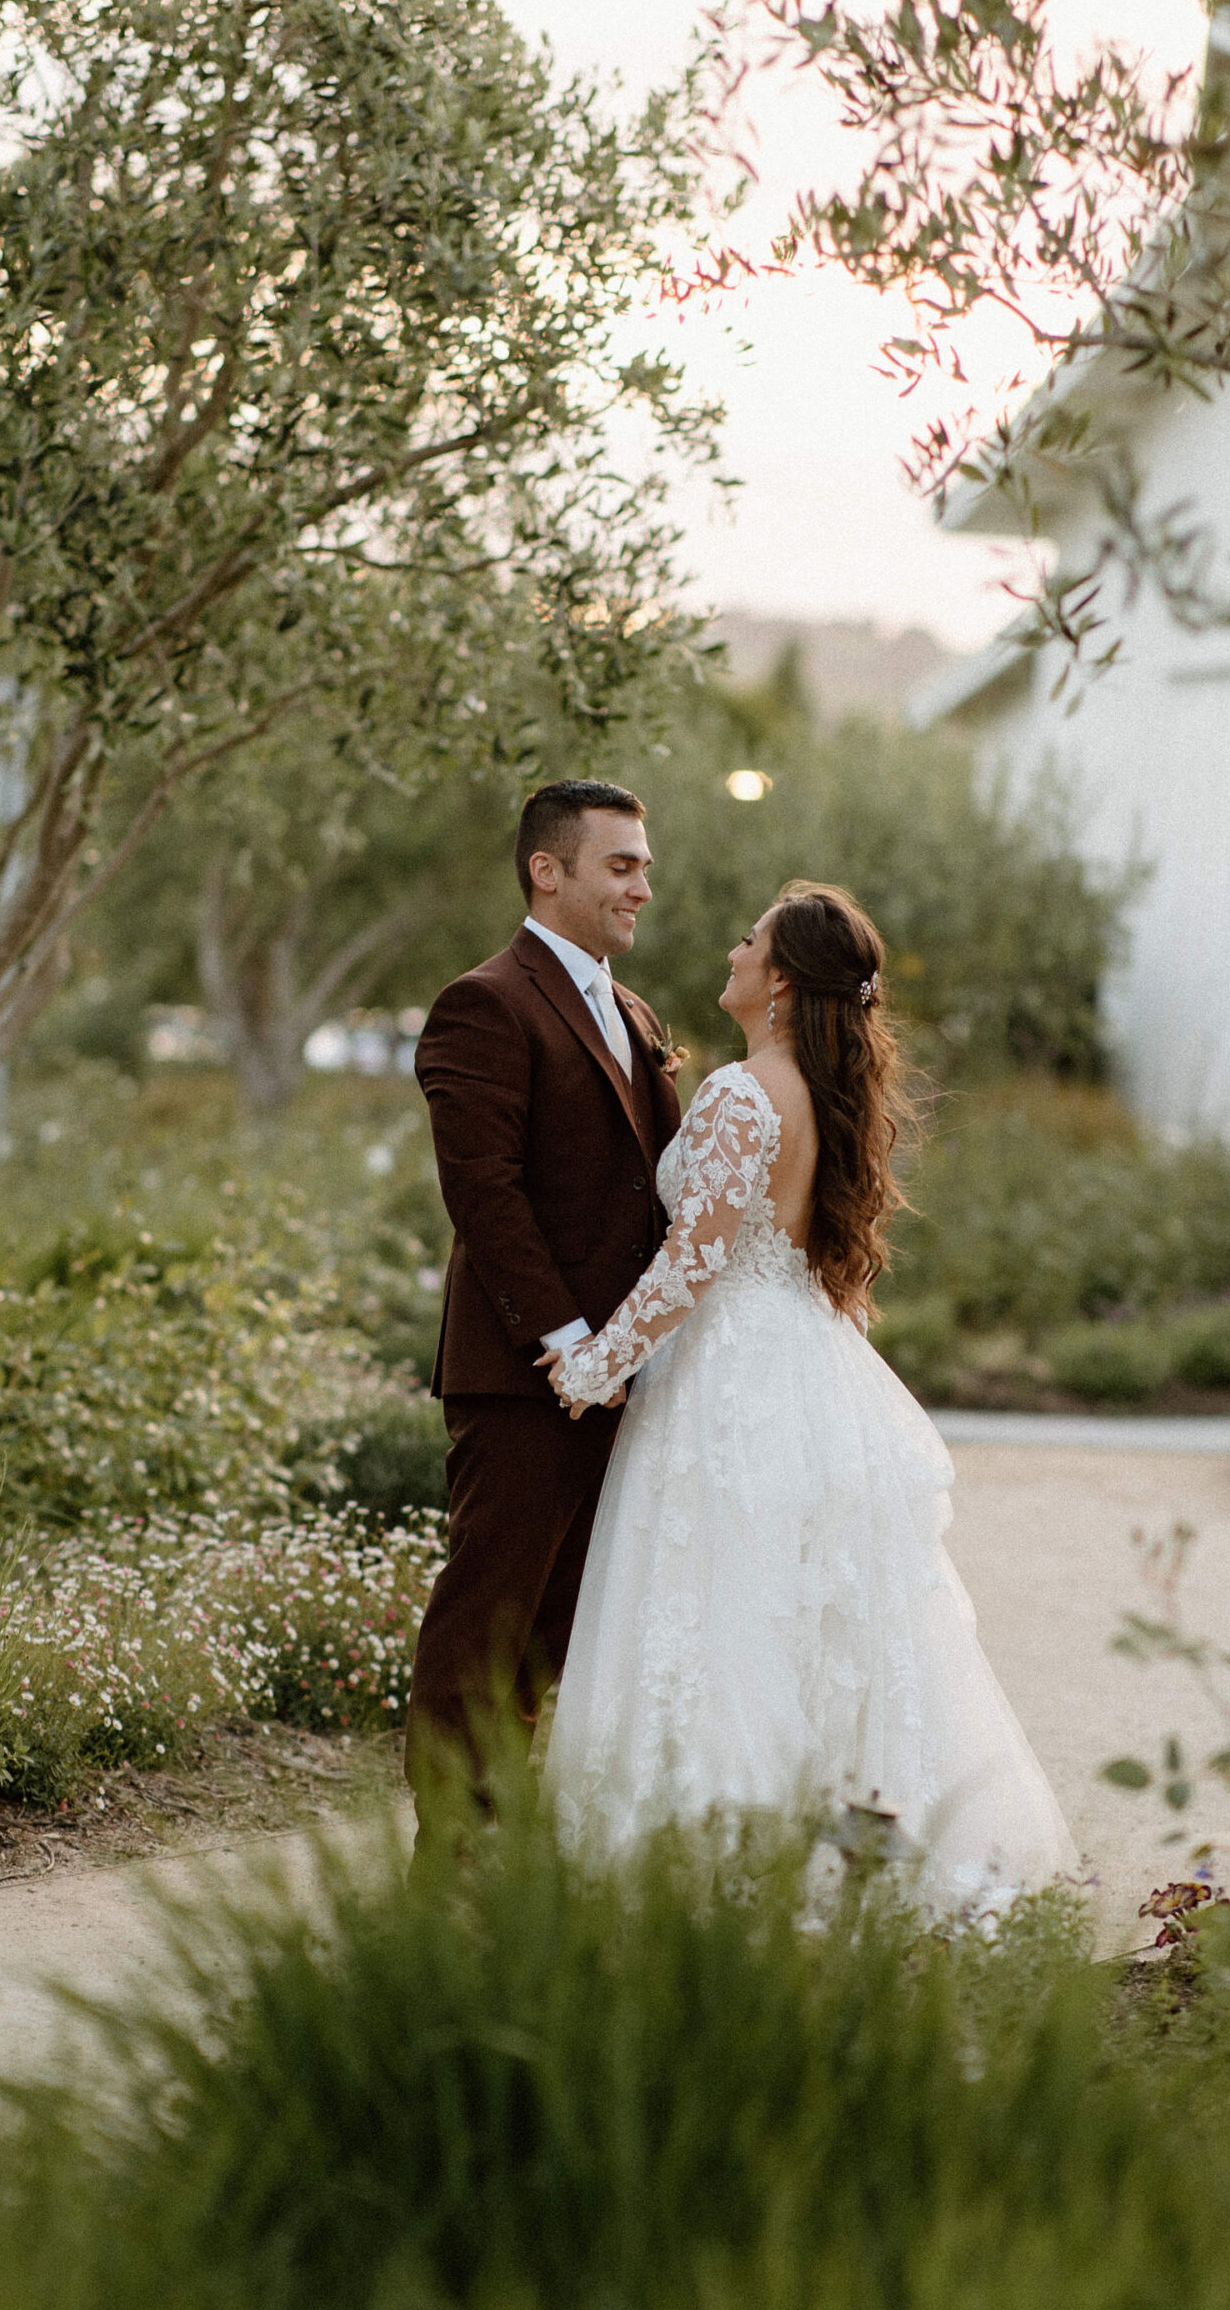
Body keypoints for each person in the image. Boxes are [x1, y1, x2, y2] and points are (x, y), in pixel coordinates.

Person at [542, 881, 1076, 1914]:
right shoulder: (818, 1095)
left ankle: (720, 1864)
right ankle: (834, 1847)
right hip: (800, 1362)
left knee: (722, 1608)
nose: (733, 951)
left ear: (779, 980)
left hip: (730, 1378)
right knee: (805, 1615)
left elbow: (695, 1259)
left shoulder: (746, 1092)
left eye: (750, 940)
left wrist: (596, 1364)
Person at [404, 779, 682, 1816]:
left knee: (557, 1633)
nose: (643, 886)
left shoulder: (634, 1009)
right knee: (485, 1621)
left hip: (621, 1378)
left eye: (645, 865)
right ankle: (447, 1866)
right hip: (528, 1376)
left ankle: (500, 1841)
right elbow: (485, 1192)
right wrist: (572, 1345)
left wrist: (637, 1353)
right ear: (547, 869)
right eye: (622, 865)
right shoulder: (485, 1002)